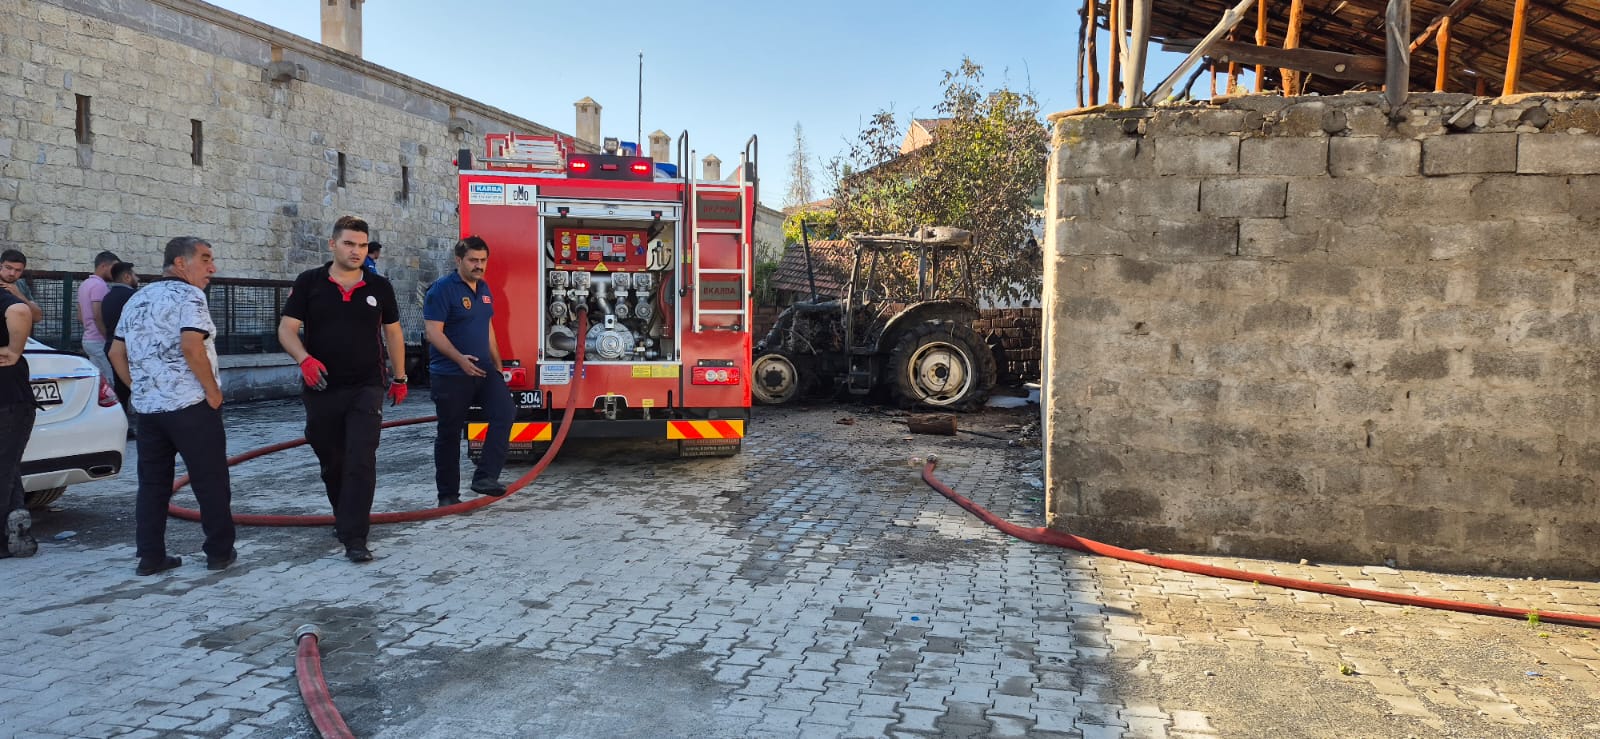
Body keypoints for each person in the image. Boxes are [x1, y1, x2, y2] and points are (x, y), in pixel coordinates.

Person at [278, 216, 406, 564]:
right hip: (321, 387)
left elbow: (393, 333)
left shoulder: (380, 287)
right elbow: (287, 329)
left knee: (361, 461)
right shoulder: (310, 283)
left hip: (367, 386)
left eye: (362, 245)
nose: (357, 251)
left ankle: (355, 537)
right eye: (350, 243)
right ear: (332, 244)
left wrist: (401, 376)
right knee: (332, 460)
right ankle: (343, 517)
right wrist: (303, 359)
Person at [109, 237, 235, 576]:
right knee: (210, 480)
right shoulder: (190, 295)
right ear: (180, 263)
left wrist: (139, 387)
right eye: (206, 258)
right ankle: (219, 552)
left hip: (150, 410)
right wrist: (212, 392)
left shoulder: (136, 298)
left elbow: (115, 353)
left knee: (152, 484)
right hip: (190, 405)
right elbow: (192, 346)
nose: (213, 267)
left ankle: (150, 556)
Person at [424, 236, 513, 507]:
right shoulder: (441, 290)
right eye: (473, 260)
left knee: (505, 412)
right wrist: (460, 359)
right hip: (450, 373)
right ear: (458, 260)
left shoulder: (484, 289)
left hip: (484, 371)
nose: (479, 265)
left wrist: (497, 366)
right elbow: (432, 333)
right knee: (449, 434)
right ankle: (448, 496)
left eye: (483, 260)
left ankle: (485, 477)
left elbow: (487, 328)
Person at [1, 283, 39, 559]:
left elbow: (20, 310)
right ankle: (15, 529)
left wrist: (14, 351)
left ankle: (4, 541)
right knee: (8, 467)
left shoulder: (6, 299)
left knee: (4, 469)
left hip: (9, 400)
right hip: (11, 401)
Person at [101, 262, 139, 423]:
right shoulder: (134, 297)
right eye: (134, 275)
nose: (137, 278)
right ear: (127, 276)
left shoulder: (107, 297)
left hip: (111, 345)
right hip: (130, 347)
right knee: (135, 386)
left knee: (121, 386)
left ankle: (120, 422)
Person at [77, 250, 120, 385]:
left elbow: (79, 315)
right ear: (103, 266)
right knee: (109, 380)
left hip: (88, 339)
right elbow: (98, 314)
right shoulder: (99, 286)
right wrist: (107, 337)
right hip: (98, 340)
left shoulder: (85, 284)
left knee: (95, 380)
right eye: (114, 267)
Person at [0, 249, 43, 323]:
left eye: (18, 270)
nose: (12, 273)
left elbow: (37, 317)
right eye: (8, 268)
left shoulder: (21, 285)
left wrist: (19, 295)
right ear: (0, 266)